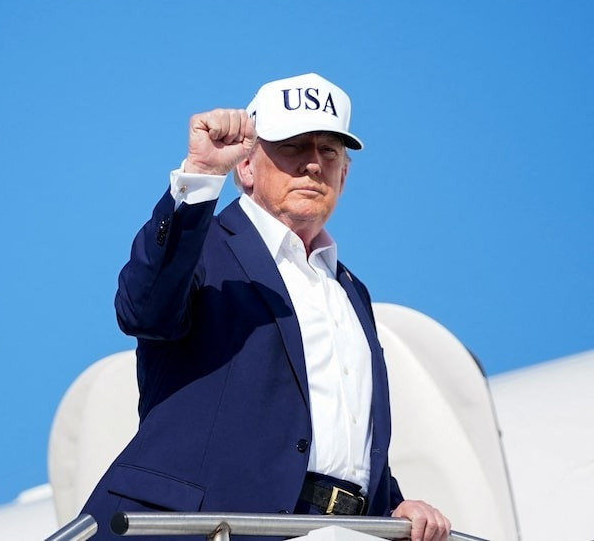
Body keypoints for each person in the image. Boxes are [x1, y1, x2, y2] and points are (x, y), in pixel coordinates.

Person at [80, 73, 450, 541]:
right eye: (293, 147)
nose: (313, 164)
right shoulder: (203, 247)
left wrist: (393, 503)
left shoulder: (350, 291)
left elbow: (331, 435)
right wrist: (201, 174)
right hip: (201, 528)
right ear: (246, 167)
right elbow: (142, 309)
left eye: (329, 151)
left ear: (344, 175)